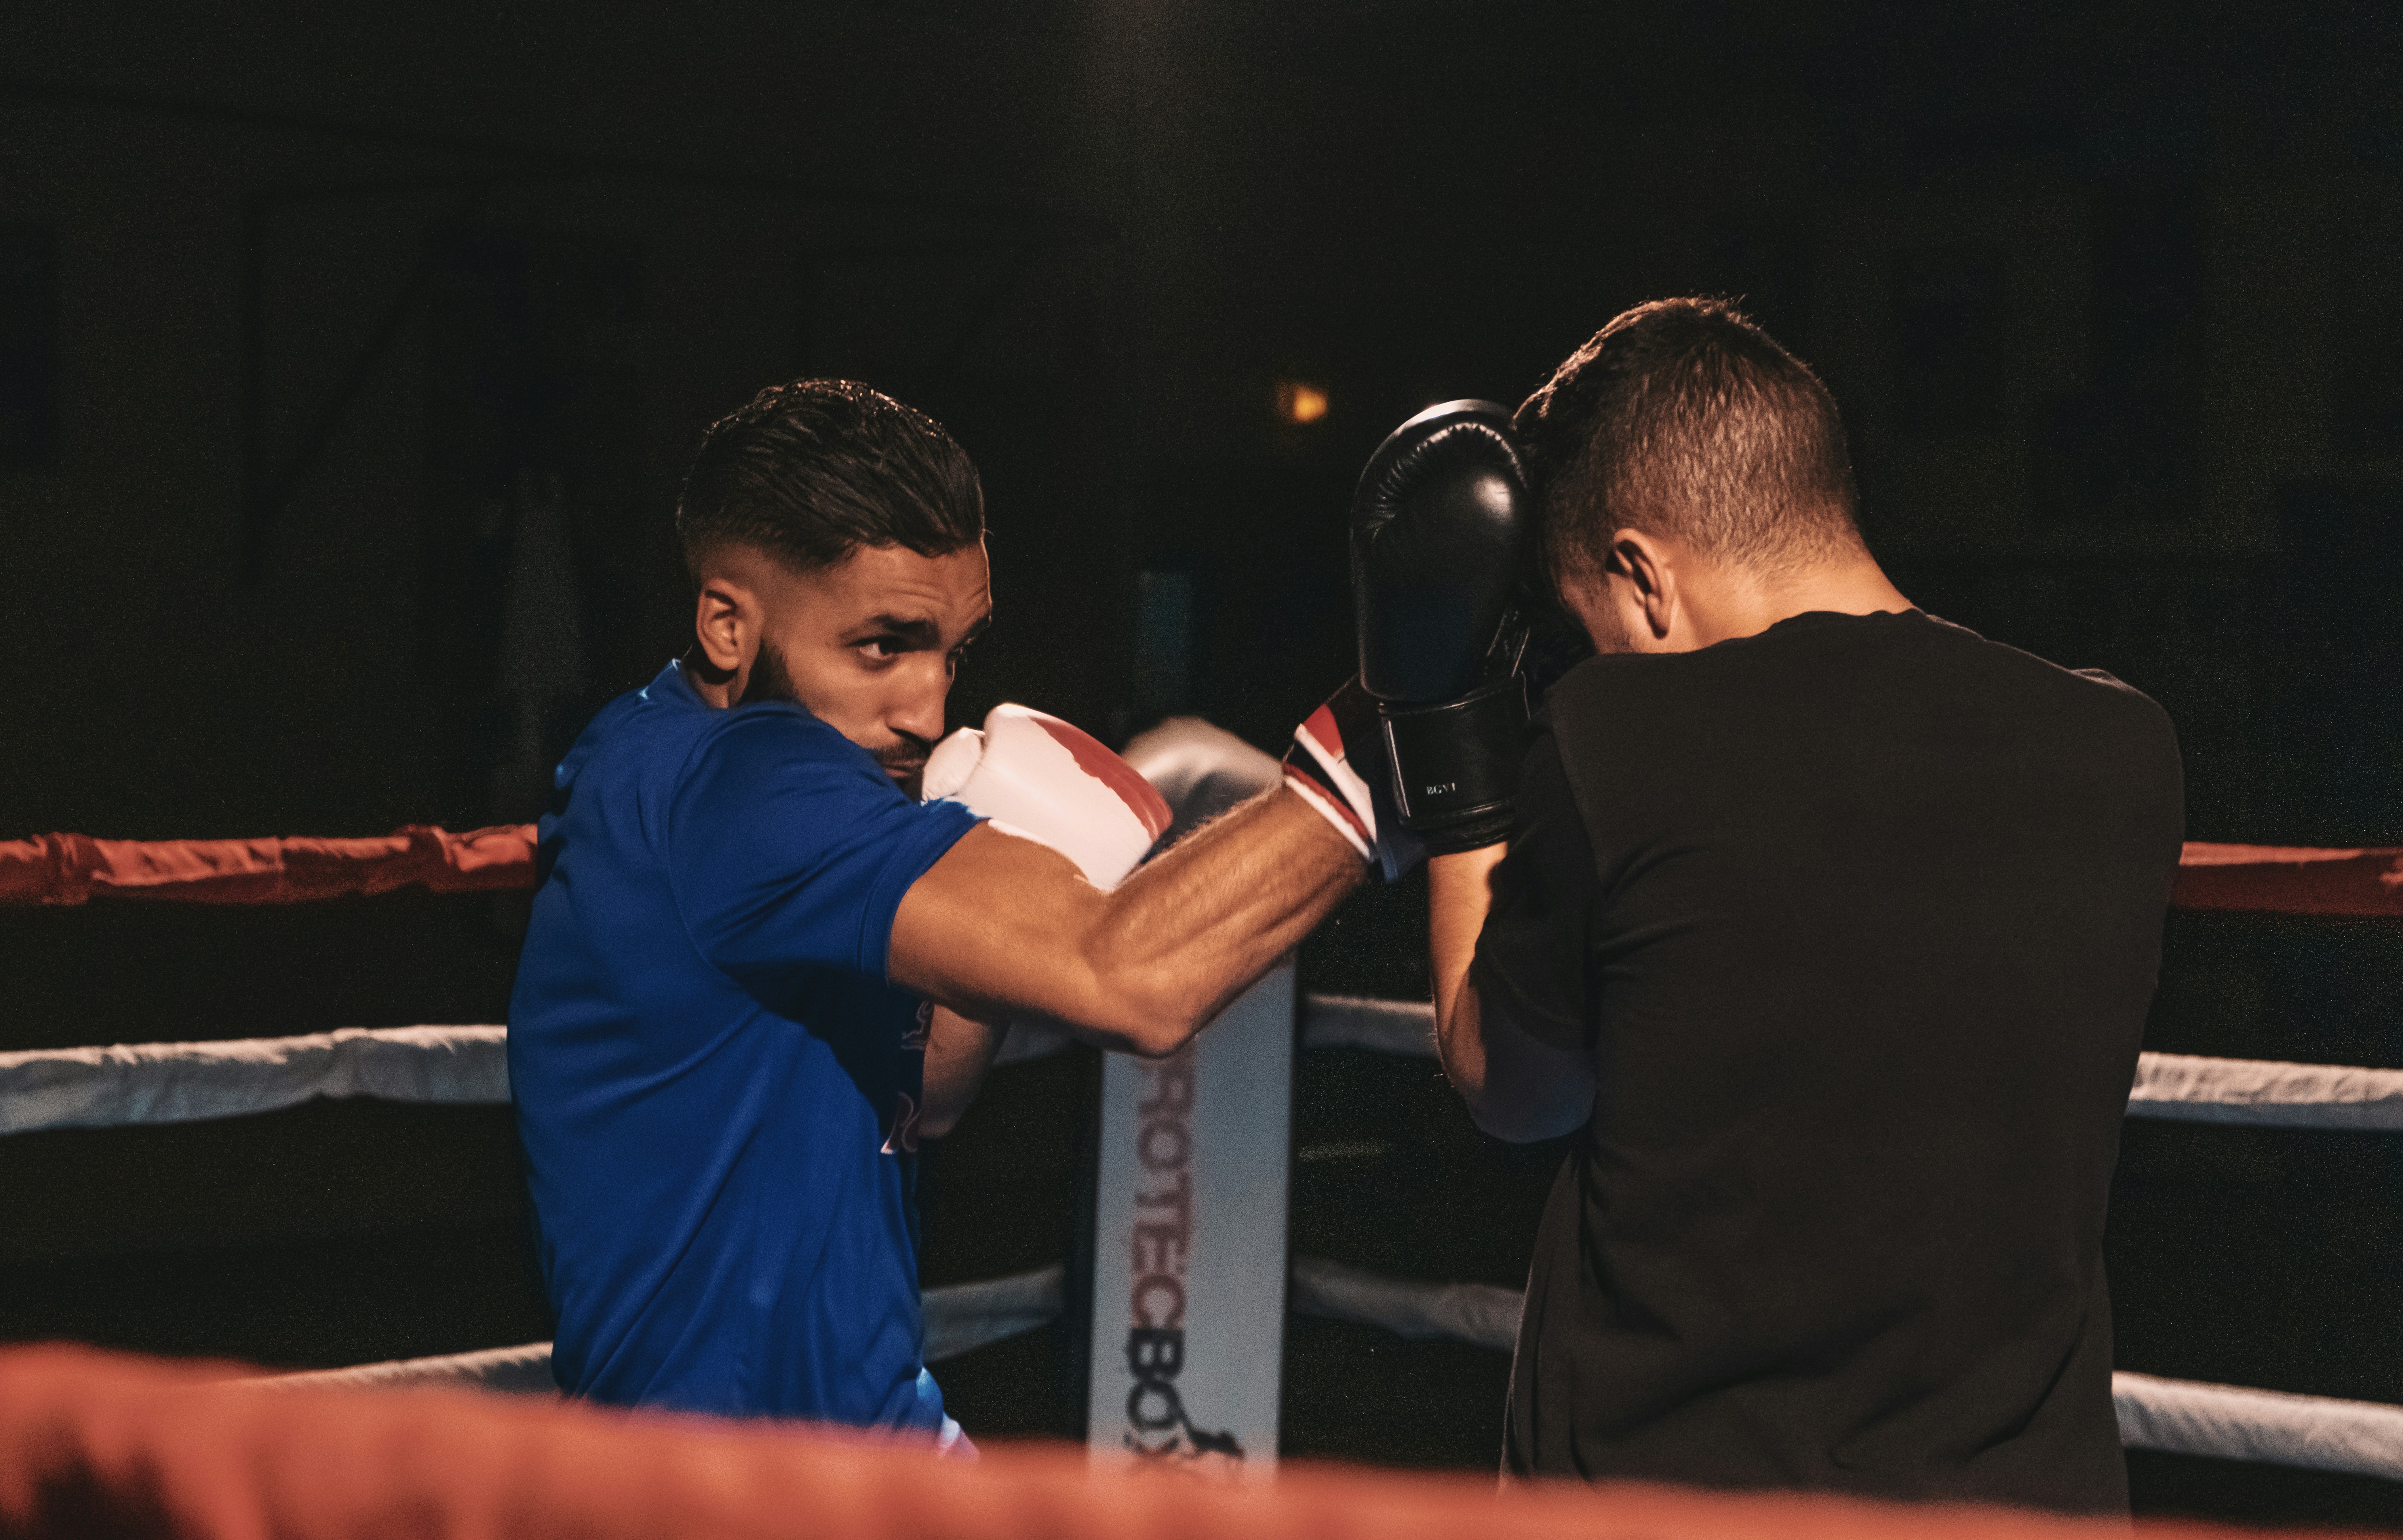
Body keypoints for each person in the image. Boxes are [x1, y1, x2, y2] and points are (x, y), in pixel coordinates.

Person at [1409, 299, 2184, 1512]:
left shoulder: (1622, 737)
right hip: (2025, 1505)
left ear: (1640, 574)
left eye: (1586, 622)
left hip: (1675, 1499)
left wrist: (1445, 726)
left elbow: (1513, 1089)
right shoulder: (2125, 751)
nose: (1590, 657)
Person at [506, 379, 1367, 1445]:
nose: (929, 709)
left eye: (951, 652)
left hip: (875, 1441)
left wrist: (1005, 874)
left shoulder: (650, 749)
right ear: (728, 622)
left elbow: (925, 1090)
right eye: (882, 645)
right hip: (727, 1493)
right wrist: (1380, 749)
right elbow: (1135, 985)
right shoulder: (750, 787)